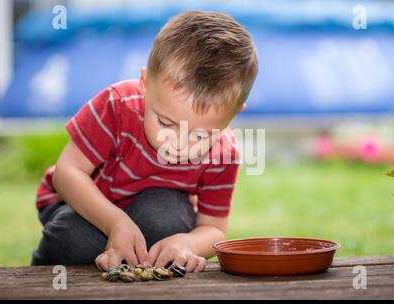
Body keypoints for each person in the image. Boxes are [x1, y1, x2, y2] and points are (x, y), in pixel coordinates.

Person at [31, 10, 258, 273]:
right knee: (75, 238)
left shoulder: (223, 153)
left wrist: (189, 243)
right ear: (144, 83)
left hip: (155, 210)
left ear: (233, 115)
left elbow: (215, 230)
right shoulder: (118, 106)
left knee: (165, 219)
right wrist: (116, 223)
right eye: (165, 123)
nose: (178, 144)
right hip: (81, 200)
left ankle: (128, 263)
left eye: (199, 135)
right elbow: (67, 174)